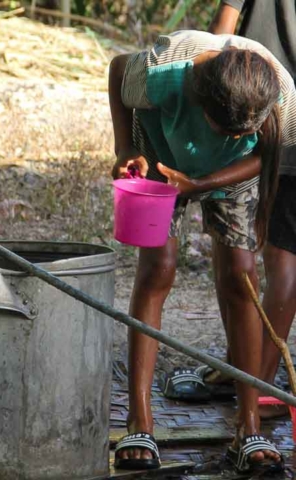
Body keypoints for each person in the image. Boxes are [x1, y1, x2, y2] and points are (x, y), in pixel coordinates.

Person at [109, 29, 296, 473]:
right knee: (158, 269)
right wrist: (125, 147)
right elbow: (117, 69)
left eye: (242, 131)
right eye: (224, 130)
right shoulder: (163, 72)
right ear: (201, 101)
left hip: (232, 175)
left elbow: (268, 153)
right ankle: (140, 420)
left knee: (241, 275)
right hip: (159, 152)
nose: (231, 136)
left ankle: (248, 425)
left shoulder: (283, 95)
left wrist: (204, 183)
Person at [164, 0, 296, 421]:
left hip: (250, 112)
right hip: (272, 113)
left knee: (248, 256)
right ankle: (254, 374)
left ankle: (253, 381)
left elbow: (221, 33)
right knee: (281, 254)